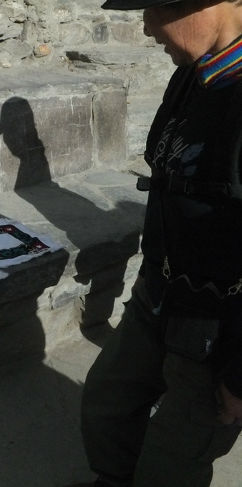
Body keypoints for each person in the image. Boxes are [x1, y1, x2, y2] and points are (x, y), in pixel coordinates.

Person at [80, 0, 242, 486]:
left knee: (174, 458)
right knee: (107, 404)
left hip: (220, 325)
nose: (147, 26)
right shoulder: (194, 74)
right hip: (158, 292)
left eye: (158, 8)